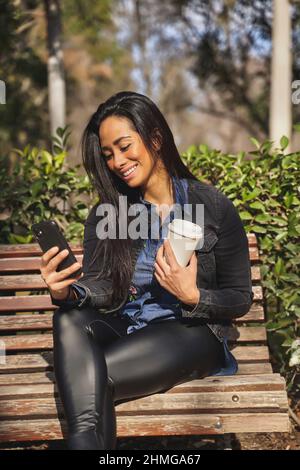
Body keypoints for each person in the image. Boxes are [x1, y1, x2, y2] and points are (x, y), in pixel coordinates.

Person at [40, 91, 254, 450]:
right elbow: (103, 286)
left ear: (155, 138)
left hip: (190, 331)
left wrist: (193, 296)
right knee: (67, 319)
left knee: (89, 378)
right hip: (129, 332)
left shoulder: (211, 205)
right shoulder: (108, 214)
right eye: (108, 155)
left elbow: (239, 297)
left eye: (124, 146)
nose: (117, 162)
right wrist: (69, 292)